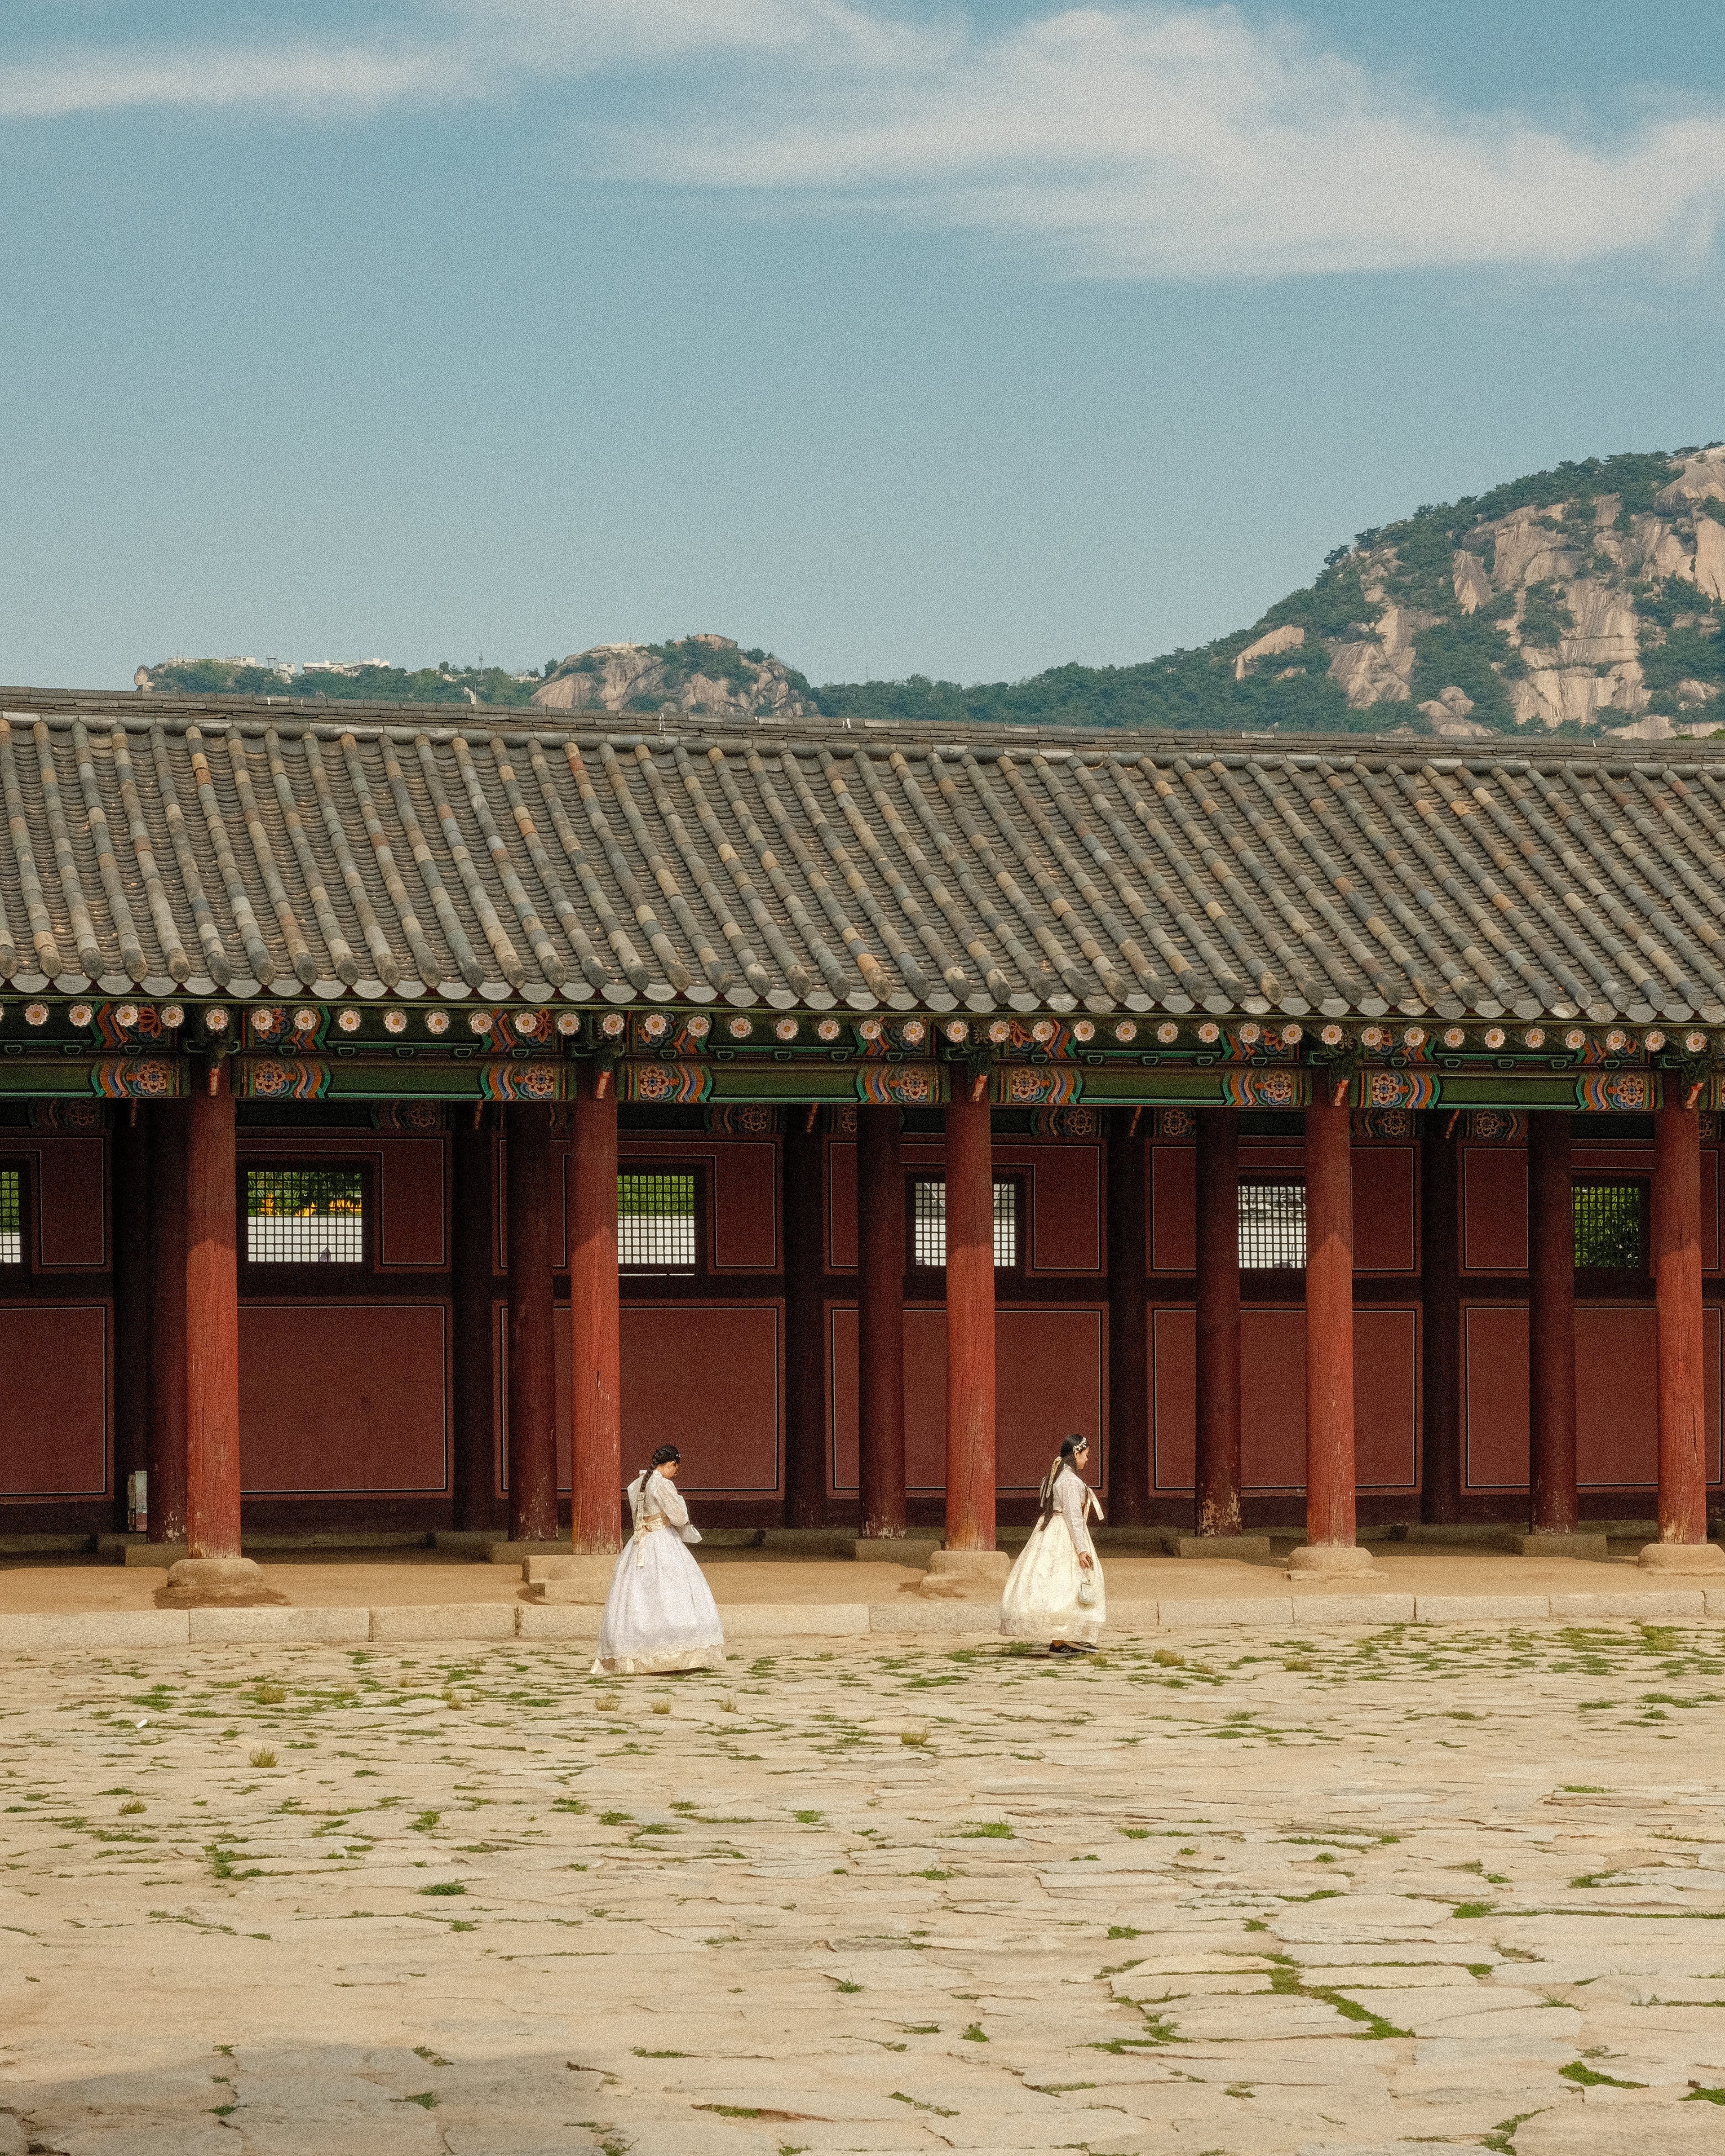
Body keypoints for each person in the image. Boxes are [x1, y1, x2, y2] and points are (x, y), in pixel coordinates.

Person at [591, 1445, 727, 1676]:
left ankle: (637, 1652)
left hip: (641, 1543)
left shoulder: (636, 1484)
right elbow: (680, 1517)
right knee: (671, 1591)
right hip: (663, 1541)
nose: (676, 1474)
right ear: (672, 1464)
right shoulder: (663, 1485)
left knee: (640, 1594)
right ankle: (674, 1651)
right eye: (676, 1469)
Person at [1000, 1433, 1104, 1656]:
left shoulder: (1062, 1477)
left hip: (1059, 1529)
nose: (1087, 1459)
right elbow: (1073, 1517)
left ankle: (1072, 1635)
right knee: (1063, 1583)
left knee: (1070, 1582)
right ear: (1076, 1453)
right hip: (1064, 1533)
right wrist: (1081, 1549)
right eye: (1085, 1455)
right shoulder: (1069, 1481)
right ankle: (1058, 1642)